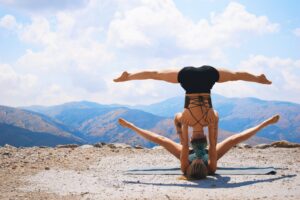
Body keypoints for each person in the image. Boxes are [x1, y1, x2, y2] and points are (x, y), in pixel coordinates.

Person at [114, 65, 272, 176]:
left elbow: (233, 139)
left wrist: (266, 123)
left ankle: (259, 78)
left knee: (235, 76)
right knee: (157, 74)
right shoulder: (185, 160)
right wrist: (181, 129)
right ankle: (128, 76)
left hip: (207, 81)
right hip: (188, 82)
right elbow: (160, 139)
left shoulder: (211, 160)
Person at [118, 114, 280, 179]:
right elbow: (218, 142)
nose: (198, 158)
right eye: (200, 161)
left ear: (190, 165)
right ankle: (265, 123)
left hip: (185, 149)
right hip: (210, 151)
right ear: (204, 164)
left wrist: (185, 127)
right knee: (234, 139)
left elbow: (183, 143)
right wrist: (212, 126)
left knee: (162, 139)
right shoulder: (211, 166)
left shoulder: (184, 165)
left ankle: (132, 125)